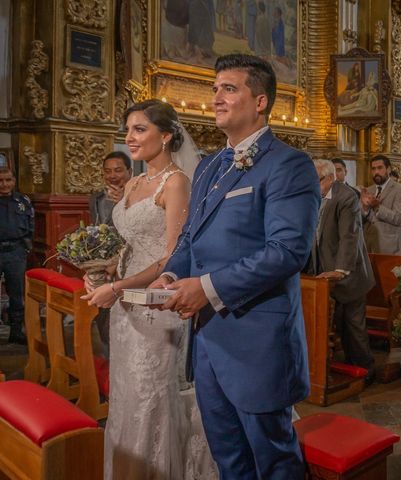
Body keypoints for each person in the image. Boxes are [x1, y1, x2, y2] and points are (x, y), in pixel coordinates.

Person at [152, 54, 320, 479]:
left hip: (257, 340)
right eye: (215, 89)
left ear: (260, 101)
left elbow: (286, 251)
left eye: (229, 88)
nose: (216, 98)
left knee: (274, 461)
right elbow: (191, 236)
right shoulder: (210, 165)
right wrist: (171, 273)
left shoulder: (288, 164)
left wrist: (205, 287)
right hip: (208, 339)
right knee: (228, 458)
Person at [81, 99, 216, 479]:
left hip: (157, 308)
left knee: (151, 397)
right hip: (124, 307)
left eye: (140, 129)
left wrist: (119, 286)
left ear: (167, 135)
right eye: (128, 130)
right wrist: (100, 271)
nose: (130, 137)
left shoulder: (176, 183)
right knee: (126, 395)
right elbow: (125, 247)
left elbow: (173, 257)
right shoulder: (135, 183)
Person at [307, 160, 375, 383]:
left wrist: (340, 270)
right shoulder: (312, 195)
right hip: (322, 276)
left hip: (349, 273)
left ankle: (366, 372)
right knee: (333, 325)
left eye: (315, 180)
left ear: (329, 178)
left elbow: (349, 236)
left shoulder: (346, 197)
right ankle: (336, 370)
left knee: (354, 327)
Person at [88, 151, 132, 357]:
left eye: (118, 170)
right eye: (108, 171)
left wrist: (125, 202)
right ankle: (109, 360)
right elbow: (96, 230)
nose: (113, 175)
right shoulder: (96, 198)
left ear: (129, 172)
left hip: (129, 265)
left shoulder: (140, 196)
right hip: (102, 266)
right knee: (103, 315)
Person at [0, 169, 33, 344]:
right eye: (0, 180)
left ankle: (16, 331)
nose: (4, 184)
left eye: (8, 180)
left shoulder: (23, 201)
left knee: (17, 294)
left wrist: (24, 249)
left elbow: (30, 225)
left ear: (14, 181)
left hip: (15, 252)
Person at [361, 154, 401, 255]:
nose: (376, 172)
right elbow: (361, 219)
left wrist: (377, 207)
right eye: (373, 169)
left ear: (389, 169)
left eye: (380, 168)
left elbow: (398, 218)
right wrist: (364, 208)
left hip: (389, 247)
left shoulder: (400, 190)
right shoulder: (368, 190)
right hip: (368, 244)